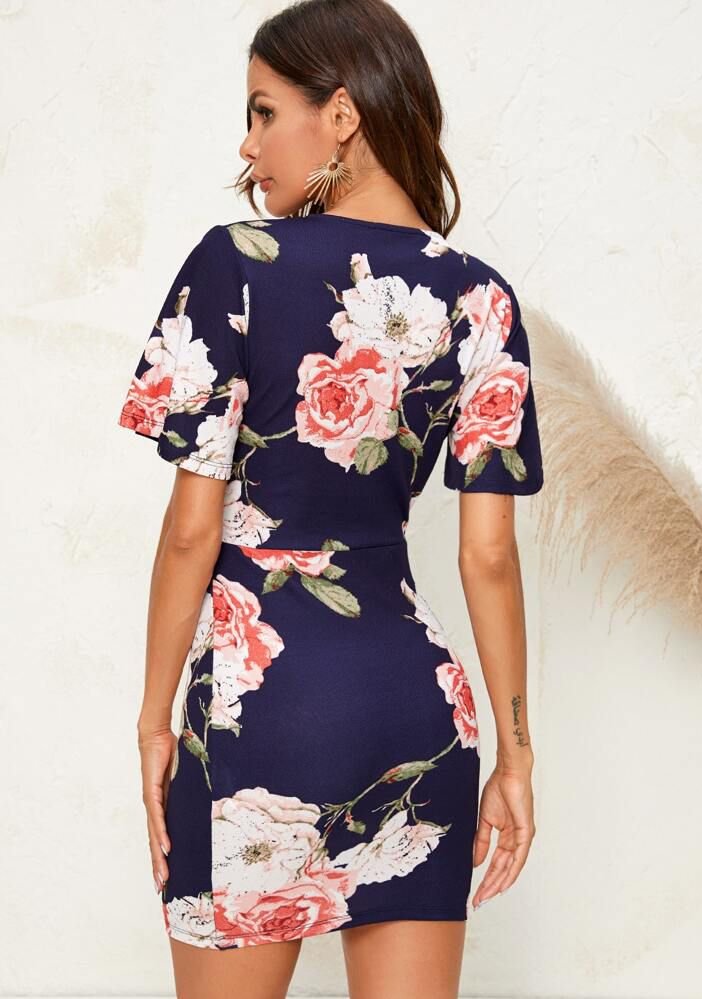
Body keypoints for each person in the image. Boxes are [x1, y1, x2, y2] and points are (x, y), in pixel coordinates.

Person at [117, 0, 543, 995]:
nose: (248, 142)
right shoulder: (482, 299)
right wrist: (518, 757)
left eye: (265, 111)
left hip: (256, 708)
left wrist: (152, 719)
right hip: (415, 713)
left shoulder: (235, 264)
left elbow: (190, 533)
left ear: (341, 114)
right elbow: (487, 554)